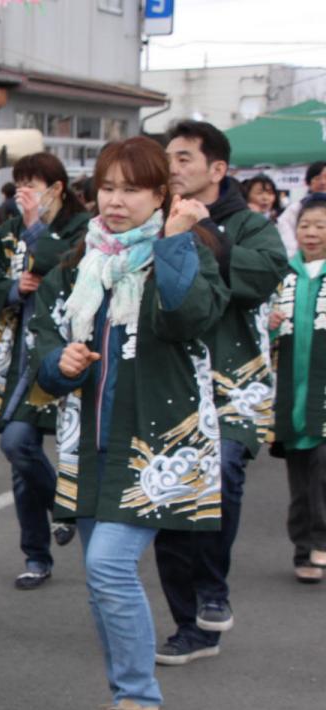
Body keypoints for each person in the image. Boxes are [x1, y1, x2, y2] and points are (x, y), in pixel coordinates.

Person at [32, 136, 229, 710]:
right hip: (89, 446)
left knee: (109, 567)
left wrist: (173, 240)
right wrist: (57, 364)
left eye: (132, 189)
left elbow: (192, 314)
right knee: (101, 578)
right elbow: (41, 346)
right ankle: (124, 698)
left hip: (155, 446)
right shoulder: (77, 262)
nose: (116, 201)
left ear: (161, 195)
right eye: (108, 187)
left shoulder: (188, 250)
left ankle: (142, 703)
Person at [153, 120, 288, 665]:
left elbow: (262, 276)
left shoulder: (251, 225)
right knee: (166, 502)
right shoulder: (155, 220)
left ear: (217, 169)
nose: (173, 168)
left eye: (185, 158)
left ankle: (212, 589)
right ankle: (190, 623)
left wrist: (202, 235)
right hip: (170, 380)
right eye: (168, 158)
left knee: (223, 469)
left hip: (234, 384)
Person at [0, 152, 91, 589]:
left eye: (34, 183)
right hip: (22, 356)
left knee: (55, 449)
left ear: (57, 187)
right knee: (18, 447)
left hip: (68, 352)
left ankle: (66, 510)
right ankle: (37, 553)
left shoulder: (81, 228)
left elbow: (59, 262)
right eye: (19, 182)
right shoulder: (9, 232)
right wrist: (12, 288)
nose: (25, 191)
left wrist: (34, 229)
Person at [267, 198, 326, 583]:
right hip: (291, 395)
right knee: (300, 478)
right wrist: (269, 324)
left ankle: (319, 541)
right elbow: (263, 334)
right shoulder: (282, 276)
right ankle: (303, 546)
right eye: (306, 224)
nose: (312, 232)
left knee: (323, 471)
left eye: (320, 225)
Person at [276, 161, 326, 257]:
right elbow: (285, 230)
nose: (323, 182)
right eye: (317, 178)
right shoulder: (296, 208)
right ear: (308, 182)